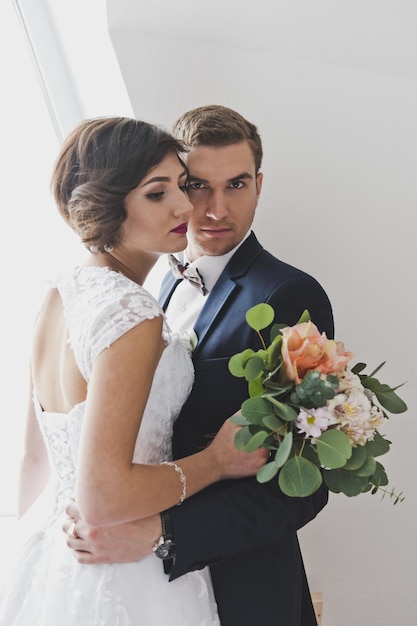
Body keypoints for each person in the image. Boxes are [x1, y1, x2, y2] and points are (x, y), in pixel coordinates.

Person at [64, 106, 335, 625]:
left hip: (246, 590)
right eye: (196, 186)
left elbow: (304, 487)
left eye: (236, 185)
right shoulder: (146, 286)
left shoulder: (288, 294)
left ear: (259, 184)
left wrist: (160, 532)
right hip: (144, 589)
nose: (214, 209)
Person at [0, 116, 269, 626]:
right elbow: (102, 497)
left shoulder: (57, 296)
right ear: (107, 203)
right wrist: (216, 461)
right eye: (155, 194)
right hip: (127, 571)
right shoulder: (133, 312)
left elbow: (34, 462)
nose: (185, 207)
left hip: (55, 562)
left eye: (179, 185)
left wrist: (35, 566)